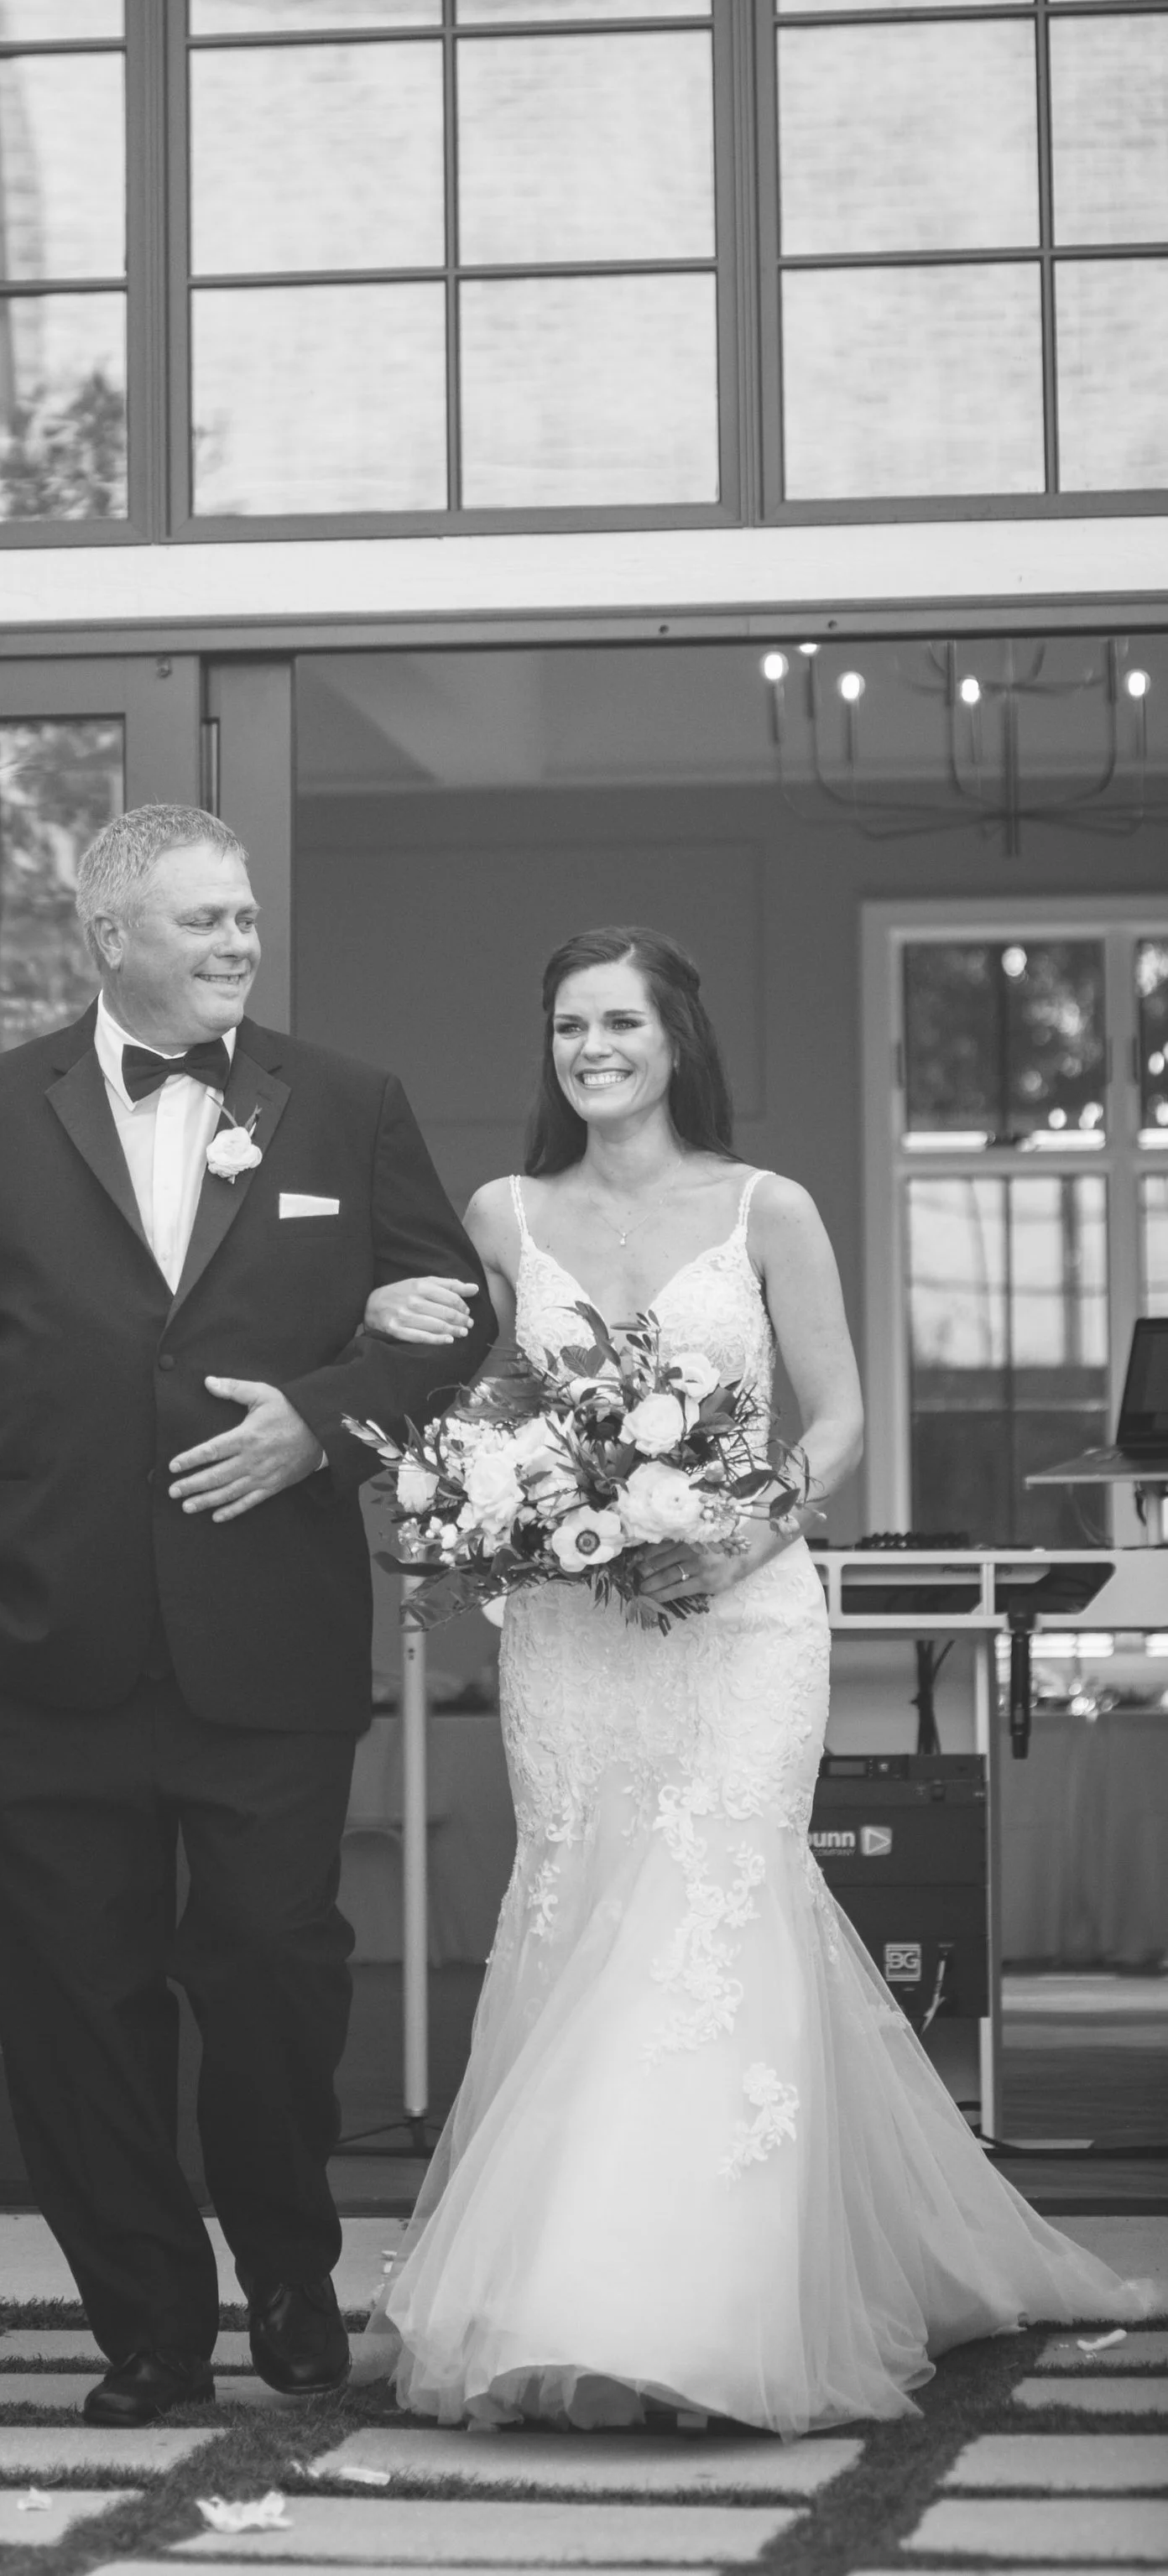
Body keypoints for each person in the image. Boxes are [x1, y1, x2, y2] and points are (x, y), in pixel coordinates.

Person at [355, 923, 1158, 2433]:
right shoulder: (503, 1212)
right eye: (568, 1026)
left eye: (620, 1024)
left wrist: (742, 1529)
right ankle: (568, 2289)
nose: (591, 1048)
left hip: (744, 1616)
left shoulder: (766, 1207)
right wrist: (488, 1480)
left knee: (713, 1910)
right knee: (581, 1910)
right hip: (574, 1628)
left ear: (676, 1042)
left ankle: (707, 2306)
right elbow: (485, 1400)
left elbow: (842, 1410)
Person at [0, 803, 493, 2426]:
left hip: (266, 1645)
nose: (240, 943)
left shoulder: (345, 1106)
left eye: (247, 918)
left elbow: (448, 1323)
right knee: (77, 2001)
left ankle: (292, 2273)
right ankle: (145, 2319)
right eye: (205, 920)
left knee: (278, 1972)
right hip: (33, 1644)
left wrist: (323, 1416)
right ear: (110, 939)